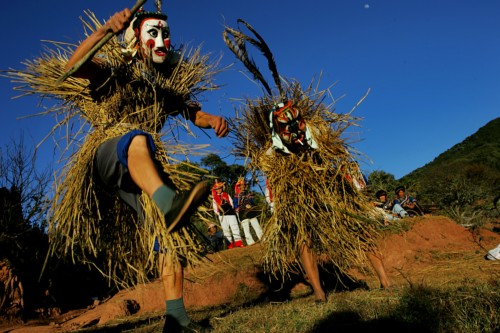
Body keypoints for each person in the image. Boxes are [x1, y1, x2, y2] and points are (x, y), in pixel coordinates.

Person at [7, 3, 228, 331]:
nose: (162, 41)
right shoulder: (113, 71)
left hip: (144, 168)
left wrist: (214, 120)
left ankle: (176, 319)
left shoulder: (163, 87)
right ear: (136, 40)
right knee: (136, 138)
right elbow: (71, 68)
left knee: (168, 239)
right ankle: (168, 202)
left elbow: (193, 112)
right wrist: (105, 30)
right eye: (153, 33)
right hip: (108, 154)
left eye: (166, 34)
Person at [224, 20, 391, 302]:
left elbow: (336, 156)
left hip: (331, 189)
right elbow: (266, 171)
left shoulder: (318, 135)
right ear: (277, 129)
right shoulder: (272, 154)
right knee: (303, 240)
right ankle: (318, 291)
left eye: (297, 122)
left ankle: (386, 281)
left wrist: (338, 173)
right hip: (299, 200)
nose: (295, 128)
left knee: (359, 229)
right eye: (286, 126)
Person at [211, 181, 244, 249]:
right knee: (226, 230)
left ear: (222, 188)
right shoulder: (214, 198)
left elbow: (231, 203)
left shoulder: (226, 194)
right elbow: (214, 208)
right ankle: (230, 245)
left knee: (235, 227)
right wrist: (220, 213)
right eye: (217, 189)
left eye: (220, 188)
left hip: (230, 214)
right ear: (215, 190)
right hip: (222, 216)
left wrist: (230, 210)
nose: (219, 189)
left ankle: (239, 243)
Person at [233, 178, 264, 246]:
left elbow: (252, 201)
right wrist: (240, 208)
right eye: (242, 185)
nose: (243, 186)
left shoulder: (249, 193)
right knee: (246, 227)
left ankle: (262, 238)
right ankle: (250, 242)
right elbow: (235, 205)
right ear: (239, 186)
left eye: (244, 185)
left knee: (256, 225)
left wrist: (252, 206)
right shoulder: (236, 196)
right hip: (242, 213)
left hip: (251, 211)